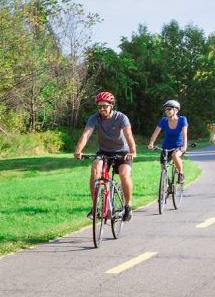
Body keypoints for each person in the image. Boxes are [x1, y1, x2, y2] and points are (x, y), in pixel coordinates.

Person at [73, 90, 137, 221]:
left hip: (122, 152)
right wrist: (78, 150)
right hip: (104, 152)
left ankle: (128, 206)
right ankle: (95, 206)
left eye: (105, 106)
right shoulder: (94, 118)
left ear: (111, 106)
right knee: (95, 169)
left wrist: (132, 151)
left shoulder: (121, 117)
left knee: (124, 174)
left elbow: (128, 135)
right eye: (100, 106)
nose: (102, 109)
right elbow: (86, 134)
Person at [147, 100, 189, 183]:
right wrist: (151, 143)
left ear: (176, 110)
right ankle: (167, 184)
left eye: (169, 109)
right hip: (166, 146)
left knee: (175, 155)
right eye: (166, 109)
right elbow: (155, 133)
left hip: (179, 146)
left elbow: (185, 134)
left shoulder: (182, 120)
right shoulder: (163, 120)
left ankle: (181, 174)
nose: (167, 111)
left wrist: (184, 146)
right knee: (163, 167)